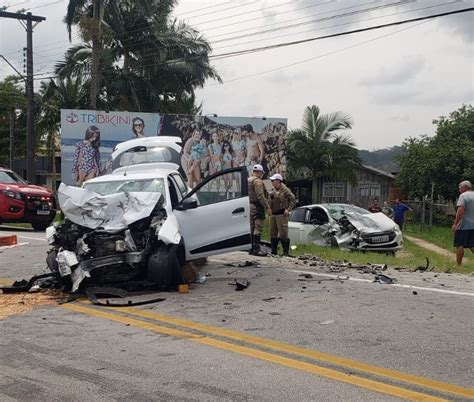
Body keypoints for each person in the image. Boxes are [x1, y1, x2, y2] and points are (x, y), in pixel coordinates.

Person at [268, 173, 296, 256]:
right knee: (272, 232)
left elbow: (293, 199)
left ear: (278, 181)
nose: (272, 182)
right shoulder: (273, 189)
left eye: (273, 180)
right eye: (271, 180)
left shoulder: (285, 190)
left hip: (281, 214)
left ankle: (285, 252)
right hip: (273, 213)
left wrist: (288, 209)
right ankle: (273, 251)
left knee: (283, 232)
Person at [248, 164, 272, 256]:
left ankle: (251, 248)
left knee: (251, 227)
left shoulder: (248, 180)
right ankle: (257, 249)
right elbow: (260, 196)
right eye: (261, 173)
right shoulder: (258, 182)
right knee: (258, 227)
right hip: (257, 206)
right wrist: (267, 208)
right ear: (260, 172)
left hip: (249, 205)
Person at [452, 180, 474, 266]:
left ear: (464, 188)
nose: (459, 190)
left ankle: (458, 264)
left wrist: (455, 223)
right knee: (472, 244)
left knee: (459, 244)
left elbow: (460, 210)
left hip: (463, 225)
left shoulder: (463, 196)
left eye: (460, 188)